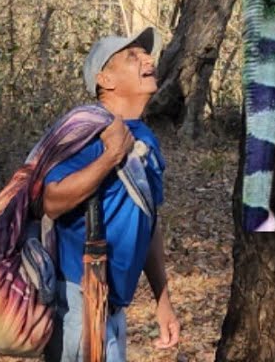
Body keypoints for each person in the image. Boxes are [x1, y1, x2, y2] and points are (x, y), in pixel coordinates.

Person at [41, 27, 180, 361]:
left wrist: (163, 301)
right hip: (79, 305)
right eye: (132, 56)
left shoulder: (145, 139)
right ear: (105, 79)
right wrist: (110, 157)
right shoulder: (87, 131)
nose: (147, 60)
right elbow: (52, 201)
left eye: (146, 54)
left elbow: (149, 223)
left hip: (114, 308)